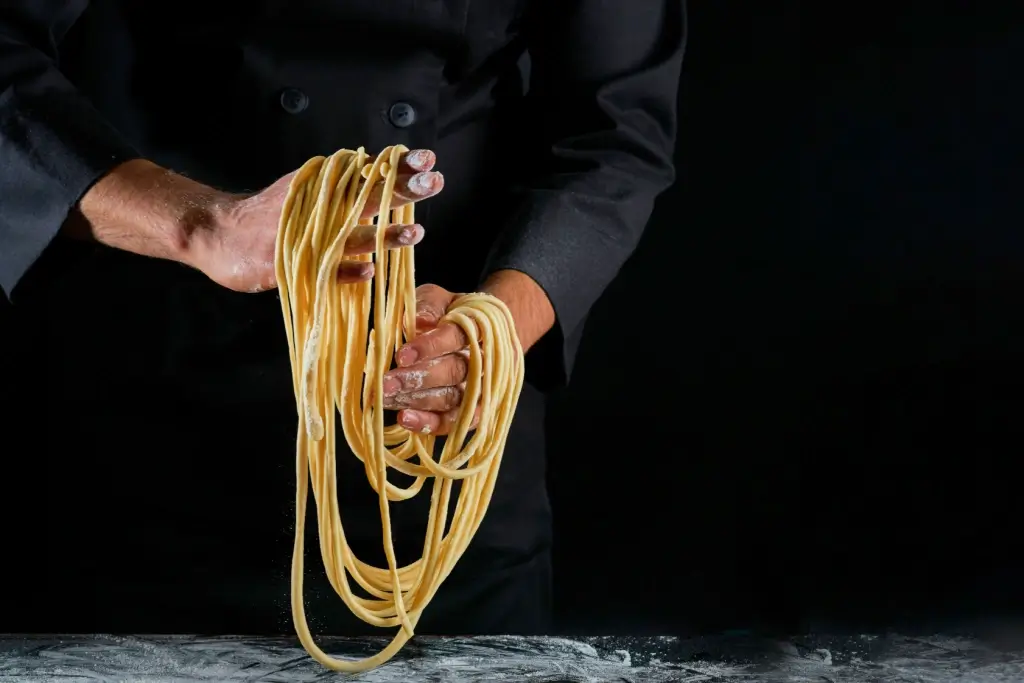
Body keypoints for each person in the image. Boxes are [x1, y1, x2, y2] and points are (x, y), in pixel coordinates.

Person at [0, 2, 685, 635]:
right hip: (140, 424)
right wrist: (200, 224)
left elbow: (614, 130)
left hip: (441, 451)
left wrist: (493, 327)